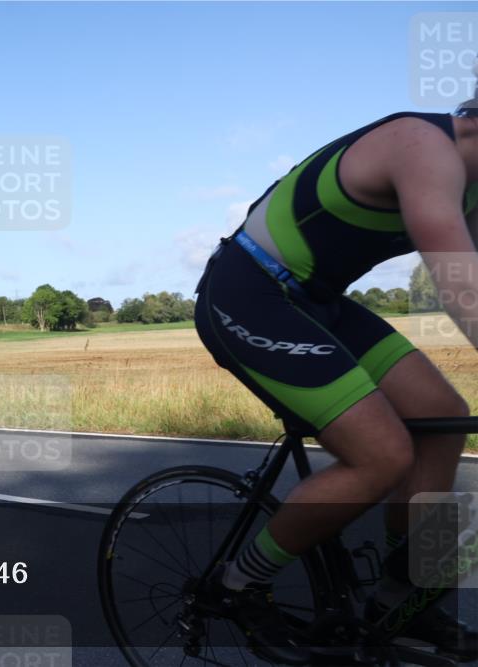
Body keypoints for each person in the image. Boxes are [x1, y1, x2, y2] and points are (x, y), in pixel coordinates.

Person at [193, 85, 478, 664]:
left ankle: (400, 598)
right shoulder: (423, 145)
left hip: (320, 301)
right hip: (249, 291)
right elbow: (460, 281)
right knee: (383, 455)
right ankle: (238, 585)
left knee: (443, 420)